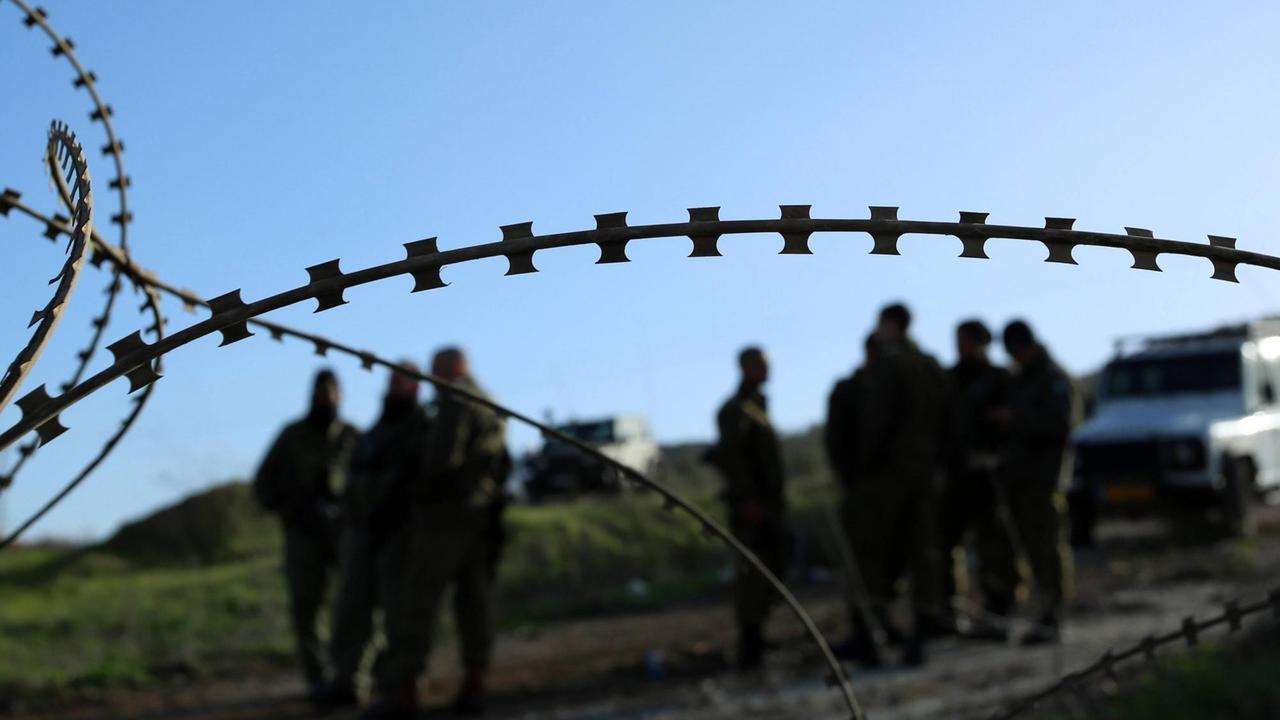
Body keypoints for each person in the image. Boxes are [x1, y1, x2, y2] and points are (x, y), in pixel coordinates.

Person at [366, 348, 510, 719]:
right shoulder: (490, 404)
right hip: (480, 518)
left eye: (435, 372)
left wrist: (419, 491)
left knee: (418, 603)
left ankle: (406, 689)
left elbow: (442, 459)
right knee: (474, 605)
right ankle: (475, 683)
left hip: (445, 520)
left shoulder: (456, 401)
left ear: (449, 369)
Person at [318, 362, 431, 707]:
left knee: (398, 616)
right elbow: (355, 476)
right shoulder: (375, 432)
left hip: (399, 533)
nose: (391, 387)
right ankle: (350, 680)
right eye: (391, 380)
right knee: (352, 610)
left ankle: (400, 686)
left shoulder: (422, 430)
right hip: (363, 532)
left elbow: (419, 480)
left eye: (399, 382)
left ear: (414, 387)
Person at [842, 303, 948, 666]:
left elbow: (877, 425)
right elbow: (949, 419)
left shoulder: (890, 366)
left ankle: (871, 638)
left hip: (887, 477)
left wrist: (863, 470)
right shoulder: (931, 365)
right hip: (925, 473)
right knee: (921, 555)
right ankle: (919, 635)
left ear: (891, 325)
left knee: (873, 556)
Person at [253, 369, 360, 696]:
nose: (326, 397)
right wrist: (292, 511)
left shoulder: (352, 436)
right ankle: (318, 678)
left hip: (345, 532)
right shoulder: (292, 435)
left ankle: (352, 673)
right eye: (321, 391)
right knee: (306, 607)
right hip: (303, 533)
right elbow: (263, 484)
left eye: (332, 391)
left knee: (356, 602)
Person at [995, 320, 1076, 645]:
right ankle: (1042, 613)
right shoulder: (1023, 379)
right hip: (1020, 478)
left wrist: (1017, 419)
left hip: (1044, 479)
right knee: (1028, 548)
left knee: (1047, 548)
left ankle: (1052, 616)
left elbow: (1061, 424)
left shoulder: (1052, 378)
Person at [938, 320, 1018, 639]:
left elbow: (1012, 422)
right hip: (956, 476)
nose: (960, 346)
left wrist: (997, 454)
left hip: (990, 475)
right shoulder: (950, 380)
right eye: (957, 340)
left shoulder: (999, 379)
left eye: (965, 340)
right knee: (947, 544)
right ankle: (953, 613)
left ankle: (999, 610)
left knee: (994, 546)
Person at [713, 346, 788, 670]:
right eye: (761, 365)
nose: (767, 370)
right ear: (745, 367)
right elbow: (734, 460)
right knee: (751, 573)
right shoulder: (736, 410)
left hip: (768, 504)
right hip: (751, 507)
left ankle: (758, 634)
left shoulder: (756, 407)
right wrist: (748, 502)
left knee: (771, 567)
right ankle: (750, 642)